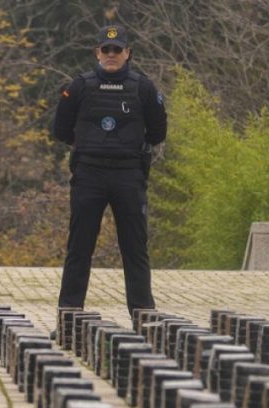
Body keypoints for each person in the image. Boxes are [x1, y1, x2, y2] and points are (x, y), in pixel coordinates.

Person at [52, 25, 167, 318]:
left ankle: (143, 317)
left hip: (128, 176)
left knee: (135, 249)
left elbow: (157, 132)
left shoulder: (143, 87)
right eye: (106, 49)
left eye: (118, 50)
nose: (112, 55)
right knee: (79, 247)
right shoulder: (79, 86)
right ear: (97, 53)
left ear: (128, 53)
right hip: (89, 175)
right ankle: (69, 316)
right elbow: (61, 129)